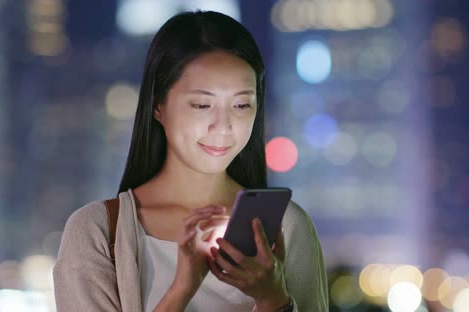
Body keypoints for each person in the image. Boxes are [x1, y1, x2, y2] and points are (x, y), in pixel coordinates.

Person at [52, 10, 328, 312]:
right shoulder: (98, 231)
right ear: (158, 106)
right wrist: (181, 288)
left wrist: (273, 299)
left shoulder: (286, 227)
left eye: (241, 104)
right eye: (201, 104)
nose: (223, 126)